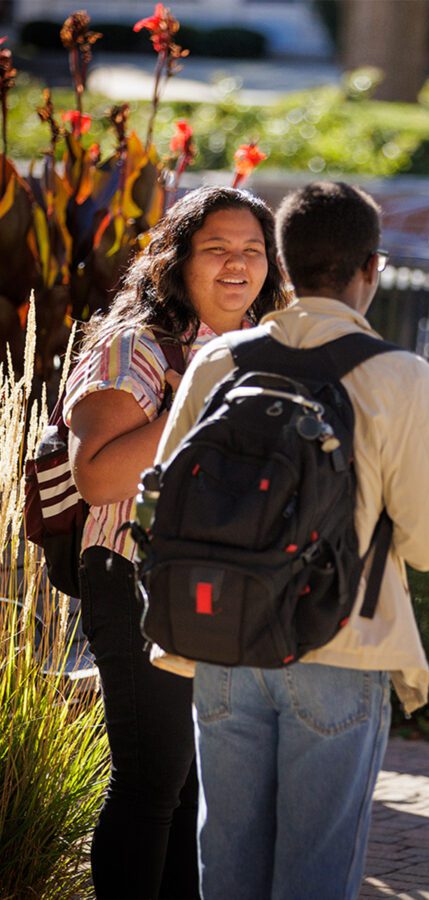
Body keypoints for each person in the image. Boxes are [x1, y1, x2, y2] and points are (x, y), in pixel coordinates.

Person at [155, 180, 429, 899]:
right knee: (315, 875)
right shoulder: (399, 375)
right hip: (342, 641)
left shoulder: (220, 361)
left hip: (223, 636)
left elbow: (164, 498)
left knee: (226, 860)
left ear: (285, 263)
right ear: (373, 267)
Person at [66, 185, 288, 899]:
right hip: (134, 576)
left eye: (252, 250)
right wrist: (209, 392)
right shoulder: (135, 344)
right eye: (216, 249)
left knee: (199, 787)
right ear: (176, 262)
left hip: (230, 585)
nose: (237, 265)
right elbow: (98, 478)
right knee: (153, 780)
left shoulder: (271, 343)